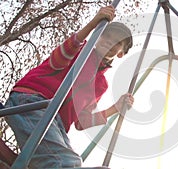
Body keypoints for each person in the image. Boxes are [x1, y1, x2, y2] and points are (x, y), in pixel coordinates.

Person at [4, 5, 134, 168]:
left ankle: (8, 161)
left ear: (121, 53)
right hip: (31, 102)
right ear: (98, 35)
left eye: (117, 42)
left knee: (72, 161)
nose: (109, 40)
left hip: (57, 124)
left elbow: (82, 121)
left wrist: (115, 108)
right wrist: (93, 24)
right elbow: (59, 57)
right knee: (64, 162)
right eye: (106, 35)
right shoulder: (81, 51)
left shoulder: (101, 85)